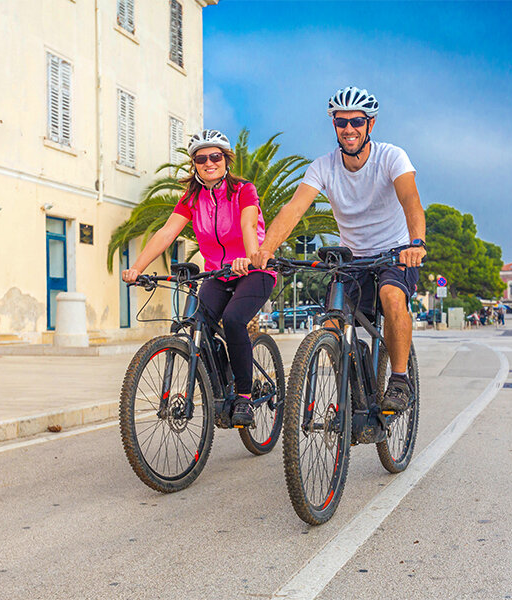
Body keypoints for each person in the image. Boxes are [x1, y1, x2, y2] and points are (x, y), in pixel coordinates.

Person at [251, 86, 426, 413]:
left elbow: (411, 202)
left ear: (369, 125)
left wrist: (416, 243)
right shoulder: (323, 166)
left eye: (356, 122)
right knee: (330, 326)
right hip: (353, 259)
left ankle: (400, 379)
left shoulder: (391, 157)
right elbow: (293, 209)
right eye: (341, 122)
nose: (349, 129)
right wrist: (265, 249)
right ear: (334, 125)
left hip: (395, 253)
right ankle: (357, 383)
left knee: (391, 296)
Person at [122, 129, 275, 427]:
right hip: (217, 273)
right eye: (201, 158)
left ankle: (244, 396)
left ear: (226, 160)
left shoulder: (244, 190)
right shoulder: (192, 198)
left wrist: (250, 255)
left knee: (232, 320)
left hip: (253, 271)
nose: (209, 163)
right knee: (197, 324)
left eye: (215, 156)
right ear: (194, 164)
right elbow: (167, 233)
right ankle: (222, 386)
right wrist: (137, 267)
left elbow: (248, 222)